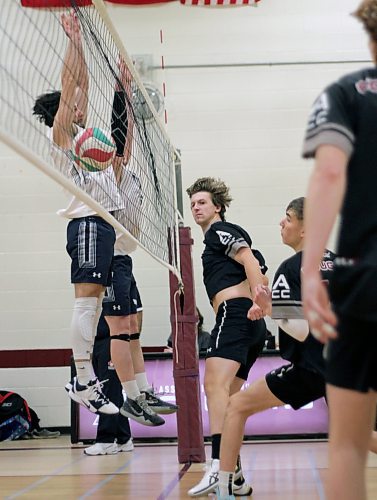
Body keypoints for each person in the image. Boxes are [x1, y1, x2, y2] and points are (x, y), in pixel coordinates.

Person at [33, 11, 131, 415]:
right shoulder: (62, 137)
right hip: (87, 222)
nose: (80, 106)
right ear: (64, 111)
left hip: (103, 223)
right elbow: (70, 83)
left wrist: (81, 42)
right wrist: (71, 44)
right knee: (86, 303)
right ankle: (82, 377)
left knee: (95, 307)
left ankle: (85, 377)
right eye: (74, 105)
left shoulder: (87, 133)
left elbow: (82, 83)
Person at [301, 2, 377, 499]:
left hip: (365, 280)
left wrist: (312, 271)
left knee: (348, 443)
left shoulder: (345, 93)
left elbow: (329, 173)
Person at [215, 197, 335, 499]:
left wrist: (271, 308)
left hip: (312, 367)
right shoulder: (335, 260)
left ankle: (224, 487)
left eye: (288, 218)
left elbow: (301, 328)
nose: (282, 223)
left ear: (306, 229)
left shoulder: (293, 267)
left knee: (236, 407)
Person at [186, 177, 267, 497]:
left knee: (213, 386)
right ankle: (235, 474)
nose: (196, 207)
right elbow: (258, 264)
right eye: (192, 204)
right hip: (250, 323)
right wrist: (261, 301)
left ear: (217, 207)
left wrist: (259, 300)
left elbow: (248, 259)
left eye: (202, 202)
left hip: (234, 314)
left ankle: (218, 465)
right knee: (230, 403)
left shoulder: (221, 231)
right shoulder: (221, 238)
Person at [84, 313, 133, 455]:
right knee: (113, 392)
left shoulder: (120, 291)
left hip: (112, 340)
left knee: (108, 390)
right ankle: (124, 438)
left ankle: (106, 440)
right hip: (96, 341)